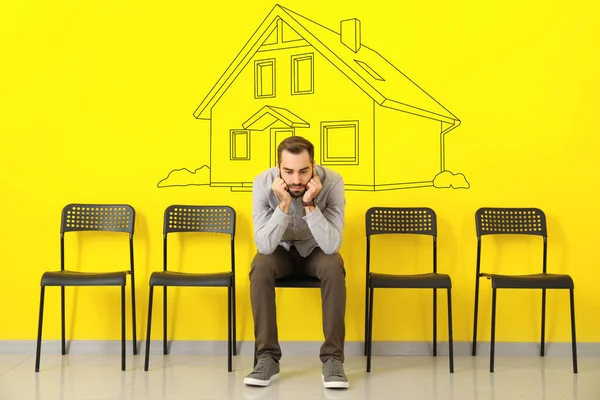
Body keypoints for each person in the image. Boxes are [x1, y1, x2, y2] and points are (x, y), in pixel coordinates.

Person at [244, 136, 348, 389]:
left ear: (314, 166)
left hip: (316, 251)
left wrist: (310, 203)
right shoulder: (262, 183)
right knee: (260, 266)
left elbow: (332, 245)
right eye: (288, 171)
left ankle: (333, 360)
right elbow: (265, 245)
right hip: (280, 251)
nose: (296, 180)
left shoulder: (333, 182)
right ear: (278, 167)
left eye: (304, 171)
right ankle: (267, 358)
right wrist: (284, 204)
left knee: (334, 266)